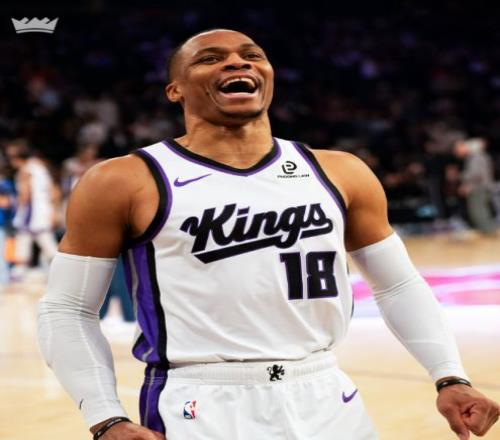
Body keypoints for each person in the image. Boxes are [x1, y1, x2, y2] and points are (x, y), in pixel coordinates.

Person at [37, 29, 499, 440]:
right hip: (201, 401)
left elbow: (398, 284)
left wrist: (449, 376)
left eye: (251, 55)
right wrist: (106, 419)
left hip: (327, 393)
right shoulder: (124, 180)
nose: (236, 62)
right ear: (175, 90)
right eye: (210, 58)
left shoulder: (340, 171)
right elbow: (67, 307)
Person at [8, 144, 59, 279]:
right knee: (39, 240)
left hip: (32, 211)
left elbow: (25, 194)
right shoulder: (41, 166)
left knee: (32, 239)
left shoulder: (25, 170)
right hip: (44, 209)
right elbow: (53, 191)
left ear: (17, 158)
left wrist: (16, 207)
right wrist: (53, 210)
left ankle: (19, 271)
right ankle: (20, 270)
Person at [454, 138, 497, 235]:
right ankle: (487, 231)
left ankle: (488, 231)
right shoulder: (478, 156)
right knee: (480, 210)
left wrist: (461, 177)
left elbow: (476, 174)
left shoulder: (476, 157)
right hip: (481, 187)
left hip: (479, 188)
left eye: (457, 150)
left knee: (478, 210)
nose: (456, 153)